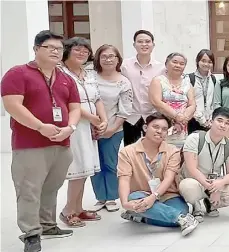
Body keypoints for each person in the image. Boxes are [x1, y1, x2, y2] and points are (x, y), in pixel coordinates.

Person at [2, 30, 78, 251]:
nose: (56, 52)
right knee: (29, 189)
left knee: (52, 187)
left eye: (59, 48)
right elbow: (12, 106)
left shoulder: (65, 78)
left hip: (61, 143)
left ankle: (47, 225)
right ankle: (31, 233)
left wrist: (70, 128)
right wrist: (40, 127)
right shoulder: (18, 73)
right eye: (50, 48)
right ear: (36, 49)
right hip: (30, 144)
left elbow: (75, 108)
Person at [116, 113, 199, 235]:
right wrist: (124, 203)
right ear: (145, 128)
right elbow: (124, 179)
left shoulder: (173, 151)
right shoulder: (127, 152)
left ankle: (141, 216)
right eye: (155, 127)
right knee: (134, 200)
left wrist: (153, 197)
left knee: (180, 212)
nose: (160, 131)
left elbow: (169, 178)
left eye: (164, 129)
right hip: (141, 194)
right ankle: (181, 219)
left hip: (167, 195)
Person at [56, 37, 103, 228]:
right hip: (75, 125)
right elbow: (68, 103)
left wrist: (103, 120)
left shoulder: (88, 73)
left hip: (90, 126)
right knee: (77, 169)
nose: (82, 53)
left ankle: (78, 207)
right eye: (77, 49)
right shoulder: (61, 73)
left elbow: (97, 98)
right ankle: (68, 211)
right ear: (67, 51)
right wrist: (92, 118)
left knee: (86, 169)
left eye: (85, 50)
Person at [90, 44, 136, 212]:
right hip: (90, 128)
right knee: (94, 164)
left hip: (113, 129)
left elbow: (125, 109)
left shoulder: (123, 81)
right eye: (104, 56)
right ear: (98, 59)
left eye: (112, 56)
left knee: (110, 163)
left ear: (118, 60)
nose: (108, 59)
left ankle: (111, 197)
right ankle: (100, 197)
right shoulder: (90, 77)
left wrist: (111, 128)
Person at [179, 107, 229, 221]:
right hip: (194, 180)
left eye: (227, 123)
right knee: (189, 187)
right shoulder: (195, 139)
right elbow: (191, 169)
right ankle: (195, 205)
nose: (223, 125)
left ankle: (210, 202)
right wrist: (213, 189)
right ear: (211, 121)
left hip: (214, 181)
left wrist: (220, 184)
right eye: (219, 120)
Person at [122, 30, 165, 146]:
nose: (144, 44)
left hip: (153, 116)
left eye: (147, 42)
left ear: (153, 45)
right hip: (131, 117)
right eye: (140, 42)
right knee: (130, 152)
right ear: (134, 45)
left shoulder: (161, 68)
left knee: (153, 150)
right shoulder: (124, 66)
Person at [148, 53, 195, 147]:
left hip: (182, 128)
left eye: (182, 64)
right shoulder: (158, 81)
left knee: (179, 156)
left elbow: (192, 104)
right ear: (166, 64)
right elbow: (156, 102)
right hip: (163, 126)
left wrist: (183, 118)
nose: (178, 65)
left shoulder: (187, 83)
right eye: (175, 62)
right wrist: (176, 116)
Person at [189, 49, 218, 133]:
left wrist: (211, 119)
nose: (206, 64)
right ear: (197, 61)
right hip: (194, 121)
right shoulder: (190, 78)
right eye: (203, 61)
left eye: (210, 62)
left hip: (210, 122)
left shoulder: (213, 79)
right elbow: (190, 102)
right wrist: (202, 121)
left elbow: (213, 101)